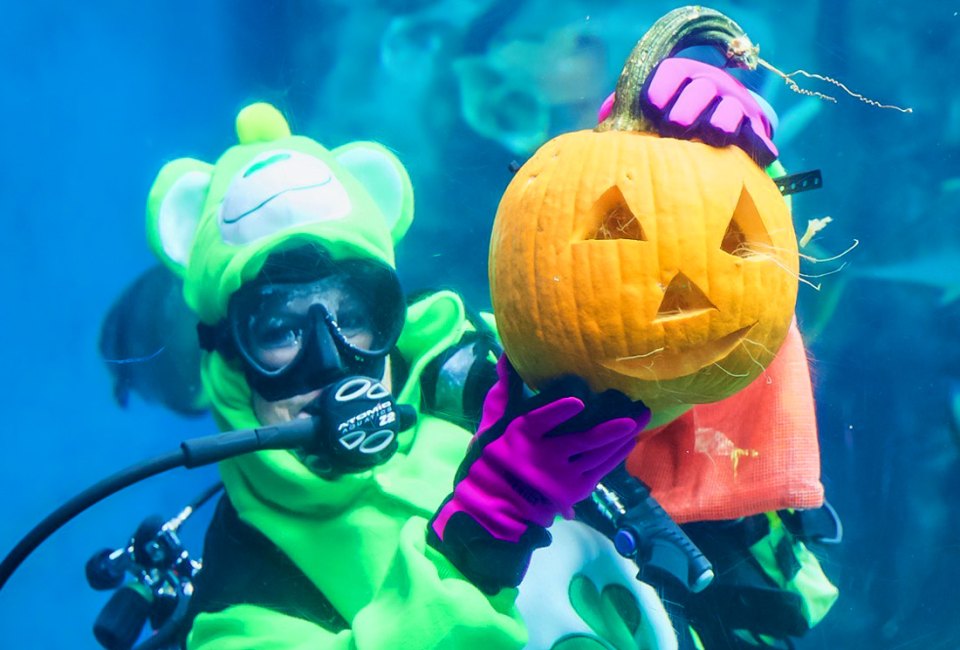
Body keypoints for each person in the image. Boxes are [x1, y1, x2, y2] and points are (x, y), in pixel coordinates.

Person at [111, 56, 834, 650]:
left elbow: (675, 327)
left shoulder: (478, 378)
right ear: (226, 355)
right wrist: (479, 538)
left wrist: (695, 162)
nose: (328, 360)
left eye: (355, 314)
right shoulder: (248, 593)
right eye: (278, 329)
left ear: (391, 311)